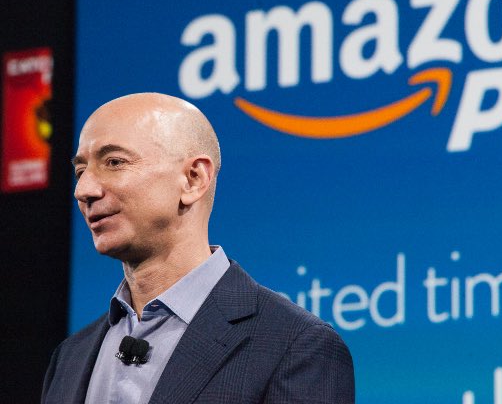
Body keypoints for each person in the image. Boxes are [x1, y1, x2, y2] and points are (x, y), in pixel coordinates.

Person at [41, 93, 354, 403]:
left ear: (193, 179)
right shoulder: (70, 357)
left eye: (114, 162)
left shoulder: (295, 345)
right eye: (80, 172)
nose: (83, 190)